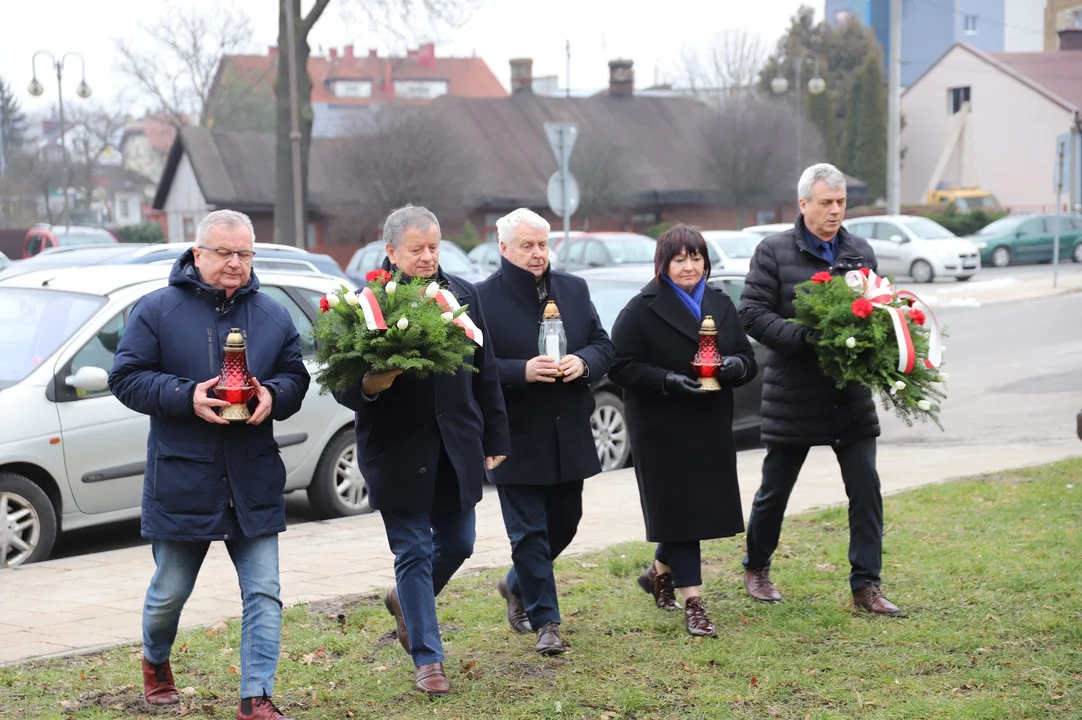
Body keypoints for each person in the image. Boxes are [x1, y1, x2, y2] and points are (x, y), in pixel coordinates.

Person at [109, 210, 310, 720]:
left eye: (244, 253)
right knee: (168, 594)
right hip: (184, 476)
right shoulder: (156, 310)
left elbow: (295, 375)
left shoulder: (272, 313)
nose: (235, 263)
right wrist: (184, 395)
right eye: (224, 252)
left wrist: (275, 395)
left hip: (253, 474)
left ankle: (255, 697)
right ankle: (155, 661)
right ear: (198, 254)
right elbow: (126, 378)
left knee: (264, 591)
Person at [332, 205, 509, 696]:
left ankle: (404, 602)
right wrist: (371, 382)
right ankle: (429, 660)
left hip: (457, 446)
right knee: (411, 549)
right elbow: (344, 383)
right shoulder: (365, 305)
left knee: (459, 544)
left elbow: (486, 372)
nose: (428, 256)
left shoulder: (463, 296)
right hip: (396, 450)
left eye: (433, 247)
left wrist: (496, 438)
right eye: (417, 249)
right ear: (390, 251)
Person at [738, 163, 901, 616]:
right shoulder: (772, 251)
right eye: (826, 202)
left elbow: (879, 307)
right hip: (794, 393)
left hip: (848, 396)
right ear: (804, 203)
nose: (835, 211)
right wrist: (804, 338)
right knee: (776, 489)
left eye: (841, 202)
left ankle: (866, 585)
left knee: (865, 489)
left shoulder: (858, 250)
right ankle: (756, 567)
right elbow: (751, 311)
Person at [475, 208, 614, 656]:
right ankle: (546, 622)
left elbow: (603, 343)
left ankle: (515, 583)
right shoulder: (481, 299)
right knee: (529, 533)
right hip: (514, 435)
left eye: (542, 244)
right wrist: (522, 371)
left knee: (565, 524)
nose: (537, 254)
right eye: (527, 246)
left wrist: (585, 361)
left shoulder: (573, 288)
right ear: (503, 248)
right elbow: (472, 368)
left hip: (567, 430)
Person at [608, 224, 758, 637]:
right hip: (660, 427)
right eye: (679, 259)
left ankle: (658, 572)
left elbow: (747, 358)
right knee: (678, 513)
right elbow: (619, 365)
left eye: (695, 258)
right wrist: (667, 380)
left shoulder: (720, 304)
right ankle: (694, 601)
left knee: (699, 510)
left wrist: (735, 367)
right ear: (664, 264)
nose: (689, 266)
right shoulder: (641, 308)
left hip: (709, 423)